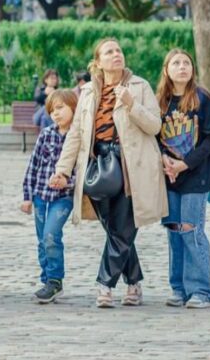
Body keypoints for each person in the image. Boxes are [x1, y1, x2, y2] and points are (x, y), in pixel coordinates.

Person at [49, 38, 166, 308]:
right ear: (98, 62)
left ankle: (104, 284)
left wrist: (130, 104)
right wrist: (63, 170)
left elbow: (155, 126)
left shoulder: (139, 86)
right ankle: (134, 282)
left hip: (129, 166)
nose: (116, 55)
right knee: (115, 230)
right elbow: (77, 133)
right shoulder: (89, 91)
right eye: (109, 52)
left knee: (123, 229)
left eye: (119, 51)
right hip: (97, 166)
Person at [156, 49, 210, 308]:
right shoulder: (159, 101)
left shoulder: (203, 99)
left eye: (186, 63)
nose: (182, 67)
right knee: (174, 231)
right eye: (176, 63)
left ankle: (201, 289)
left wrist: (185, 163)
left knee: (191, 230)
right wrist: (164, 160)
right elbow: (150, 135)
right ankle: (178, 288)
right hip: (168, 176)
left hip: (196, 175)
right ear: (166, 69)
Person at [20, 88, 79, 304]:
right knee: (41, 239)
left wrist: (68, 181)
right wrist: (27, 196)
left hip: (63, 196)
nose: (56, 113)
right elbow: (33, 166)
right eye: (52, 110)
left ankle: (55, 280)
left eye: (61, 108)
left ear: (74, 107)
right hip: (40, 195)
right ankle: (46, 280)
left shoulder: (79, 136)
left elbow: (83, 171)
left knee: (51, 234)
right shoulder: (46, 134)